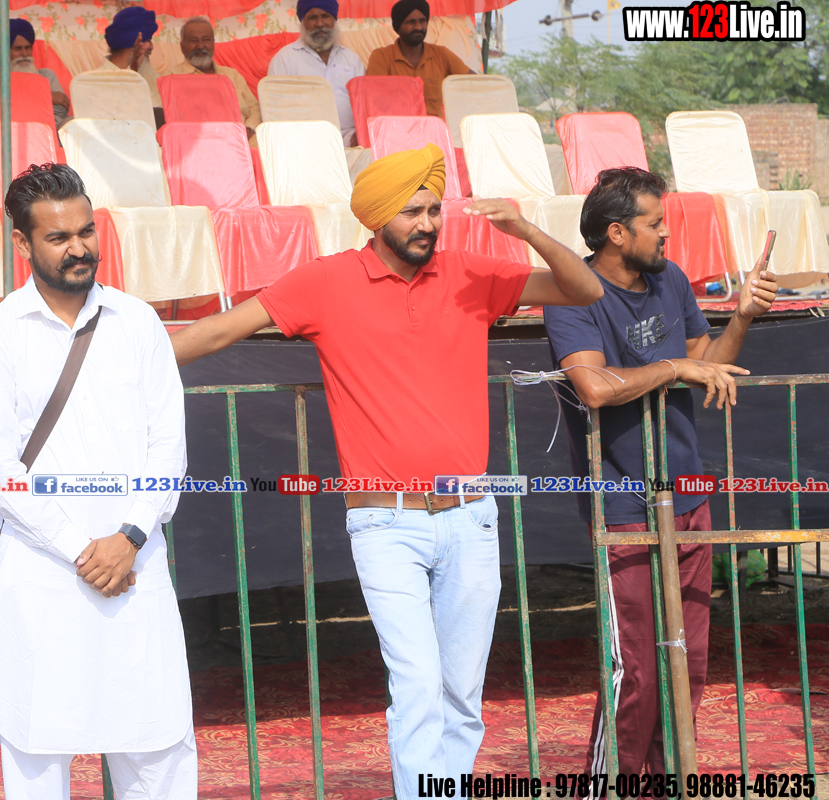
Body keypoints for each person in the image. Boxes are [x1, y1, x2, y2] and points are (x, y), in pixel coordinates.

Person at [170, 144, 603, 794]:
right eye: (411, 212)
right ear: (375, 218)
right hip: (384, 524)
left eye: (433, 209)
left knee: (461, 696)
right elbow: (217, 332)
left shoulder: (471, 273)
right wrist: (119, 365)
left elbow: (585, 289)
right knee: (418, 687)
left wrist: (526, 231)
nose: (426, 223)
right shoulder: (323, 281)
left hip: (472, 518)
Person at [0, 163, 195, 800]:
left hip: (137, 567)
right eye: (59, 237)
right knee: (38, 746)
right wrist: (82, 551)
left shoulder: (138, 322)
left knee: (157, 746)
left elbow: (167, 448)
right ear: (21, 243)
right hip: (43, 573)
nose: (79, 248)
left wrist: (128, 538)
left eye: (86, 232)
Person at [542, 167, 777, 778]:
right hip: (622, 501)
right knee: (638, 666)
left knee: (687, 658)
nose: (666, 234)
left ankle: (667, 779)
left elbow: (707, 366)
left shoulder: (669, 278)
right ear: (617, 233)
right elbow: (594, 387)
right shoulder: (571, 295)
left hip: (687, 492)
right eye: (655, 224)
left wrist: (742, 317)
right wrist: (675, 368)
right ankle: (613, 784)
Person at [266, 0, 365, 146]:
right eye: (312, 18)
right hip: (302, 142)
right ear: (302, 22)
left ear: (334, 19)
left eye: (325, 16)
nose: (319, 24)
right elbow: (273, 111)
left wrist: (360, 134)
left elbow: (364, 106)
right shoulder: (285, 59)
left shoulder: (352, 59)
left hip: (350, 141)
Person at [365, 0, 473, 118]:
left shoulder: (441, 54)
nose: (418, 27)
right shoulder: (381, 57)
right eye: (411, 22)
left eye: (422, 21)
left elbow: (476, 83)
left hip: (433, 127)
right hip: (396, 126)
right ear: (398, 27)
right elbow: (373, 101)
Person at [161, 16, 261, 140]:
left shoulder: (232, 75)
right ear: (182, 46)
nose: (200, 46)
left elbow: (254, 108)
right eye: (193, 41)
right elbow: (167, 119)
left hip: (242, 140)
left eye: (206, 40)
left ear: (213, 43)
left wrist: (248, 129)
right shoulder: (171, 78)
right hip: (196, 142)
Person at [0, 19, 71, 131]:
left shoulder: (46, 75)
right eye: (18, 49)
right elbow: (0, 111)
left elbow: (61, 110)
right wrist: (47, 97)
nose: (25, 53)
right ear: (3, 52)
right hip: (12, 131)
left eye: (28, 47)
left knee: (80, 121)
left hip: (48, 130)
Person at [97, 6, 163, 110]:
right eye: (148, 40)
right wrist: (132, 73)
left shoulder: (151, 74)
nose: (151, 47)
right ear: (133, 43)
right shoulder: (95, 81)